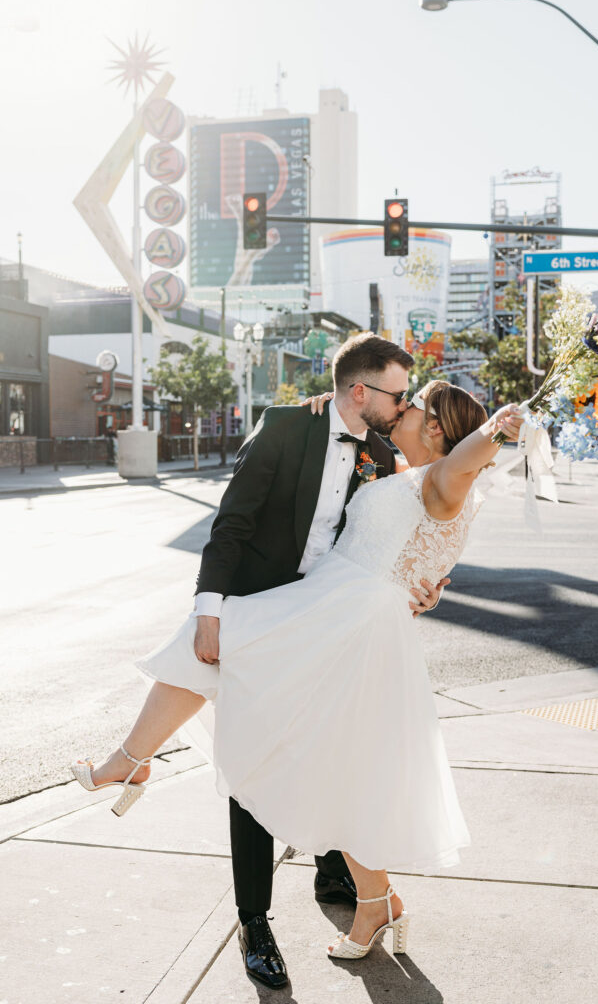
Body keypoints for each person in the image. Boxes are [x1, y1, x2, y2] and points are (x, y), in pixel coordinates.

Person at [71, 335, 457, 988]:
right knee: (248, 766)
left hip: (329, 624)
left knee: (322, 755)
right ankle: (256, 922)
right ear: (358, 391)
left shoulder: (384, 450)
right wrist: (211, 610)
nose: (403, 406)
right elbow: (232, 525)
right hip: (262, 608)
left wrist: (423, 583)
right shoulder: (285, 428)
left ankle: (133, 763)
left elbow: (404, 534)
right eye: (396, 393)